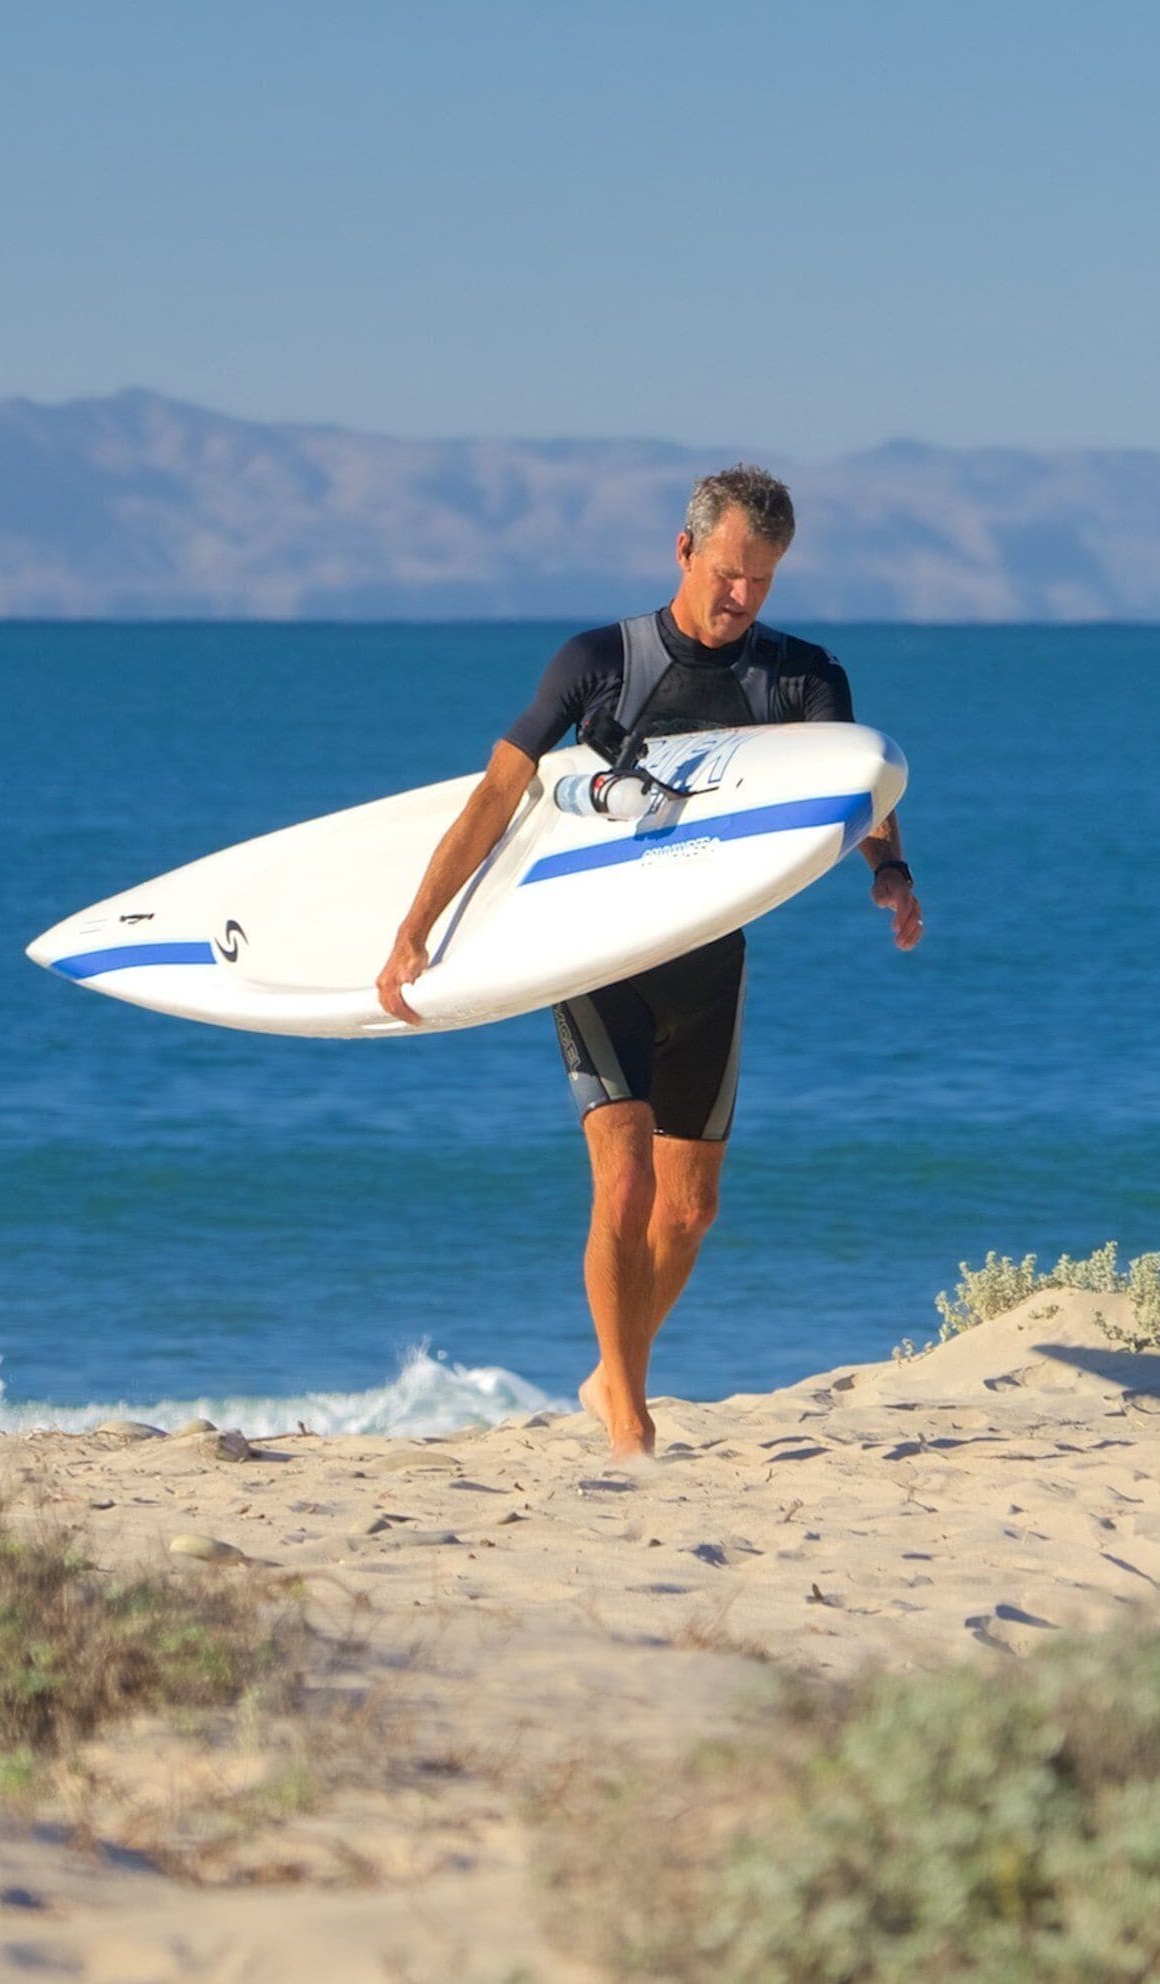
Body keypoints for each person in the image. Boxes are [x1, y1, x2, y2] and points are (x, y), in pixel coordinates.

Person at [375, 465, 921, 1459]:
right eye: (726, 572)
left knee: (691, 1210)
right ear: (684, 550)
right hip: (600, 954)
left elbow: (859, 788)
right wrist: (415, 929)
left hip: (710, 962)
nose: (740, 596)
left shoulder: (801, 679)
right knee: (623, 1188)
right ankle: (630, 1418)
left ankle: (610, 1371)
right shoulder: (601, 663)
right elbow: (498, 794)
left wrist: (889, 871)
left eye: (761, 579)